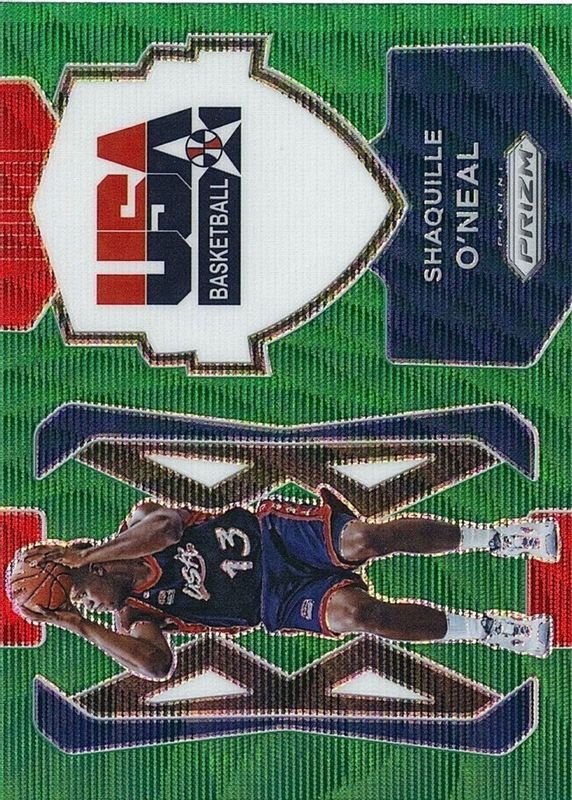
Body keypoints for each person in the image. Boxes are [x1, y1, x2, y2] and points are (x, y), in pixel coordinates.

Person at [9, 492, 557, 680]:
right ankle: (491, 630)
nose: (85, 606)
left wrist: (84, 556)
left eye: (76, 595)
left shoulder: (137, 523)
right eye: (77, 607)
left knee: (364, 538)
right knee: (358, 616)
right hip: (276, 601)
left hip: (276, 539)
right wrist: (78, 625)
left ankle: (500, 538)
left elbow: (168, 528)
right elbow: (156, 666)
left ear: (77, 567)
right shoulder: (135, 619)